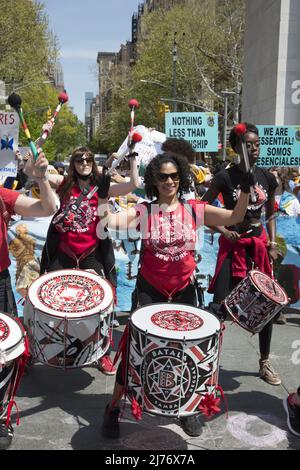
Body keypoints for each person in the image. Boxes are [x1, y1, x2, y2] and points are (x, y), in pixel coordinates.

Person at [98, 151, 253, 438]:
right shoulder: (143, 212)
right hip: (149, 292)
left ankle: (187, 409)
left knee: (187, 355)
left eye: (174, 176)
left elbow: (236, 216)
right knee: (135, 353)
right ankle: (113, 407)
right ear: (153, 181)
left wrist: (244, 187)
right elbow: (107, 222)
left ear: (181, 178)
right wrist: (104, 194)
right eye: (163, 176)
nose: (169, 181)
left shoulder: (195, 209)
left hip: (184, 293)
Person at [25, 146, 139, 376]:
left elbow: (133, 185)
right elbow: (36, 174)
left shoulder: (103, 186)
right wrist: (34, 157)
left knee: (104, 303)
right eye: (80, 160)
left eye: (88, 159)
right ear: (73, 163)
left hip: (92, 254)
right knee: (43, 299)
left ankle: (102, 354)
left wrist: (133, 157)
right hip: (64, 252)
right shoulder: (65, 183)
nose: (84, 163)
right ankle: (34, 350)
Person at [202, 122, 281, 386]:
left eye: (257, 144)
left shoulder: (268, 178)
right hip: (232, 245)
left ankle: (264, 361)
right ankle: (207, 360)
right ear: (237, 148)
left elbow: (270, 214)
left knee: (266, 305)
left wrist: (270, 242)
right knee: (219, 305)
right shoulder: (224, 178)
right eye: (249, 145)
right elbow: (201, 209)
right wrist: (223, 230)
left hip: (258, 246)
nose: (255, 149)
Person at [0, 150, 57, 451]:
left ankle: (0, 415)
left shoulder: (2, 195)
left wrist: (41, 177)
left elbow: (47, 207)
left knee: (3, 354)